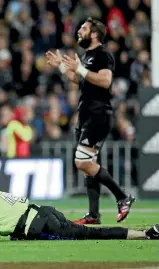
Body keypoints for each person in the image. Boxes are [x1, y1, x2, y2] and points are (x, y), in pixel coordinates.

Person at [45, 18, 135, 224]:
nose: (79, 31)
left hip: (98, 115)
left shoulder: (103, 54)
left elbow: (105, 81)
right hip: (86, 115)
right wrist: (61, 67)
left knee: (82, 162)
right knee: (89, 165)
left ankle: (122, 196)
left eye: (83, 28)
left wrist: (81, 69)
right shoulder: (88, 56)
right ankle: (94, 214)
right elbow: (81, 79)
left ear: (94, 34)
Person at [0, 172, 159, 241]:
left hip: (42, 224)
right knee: (90, 232)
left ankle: (146, 234)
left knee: (91, 234)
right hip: (44, 213)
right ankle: (146, 233)